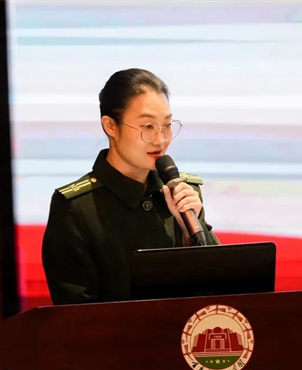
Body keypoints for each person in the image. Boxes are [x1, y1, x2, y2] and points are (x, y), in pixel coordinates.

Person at [42, 68, 220, 305]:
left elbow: (221, 291)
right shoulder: (77, 207)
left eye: (167, 125)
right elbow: (74, 312)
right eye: (148, 127)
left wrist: (191, 233)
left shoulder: (182, 193)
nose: (161, 139)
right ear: (110, 126)